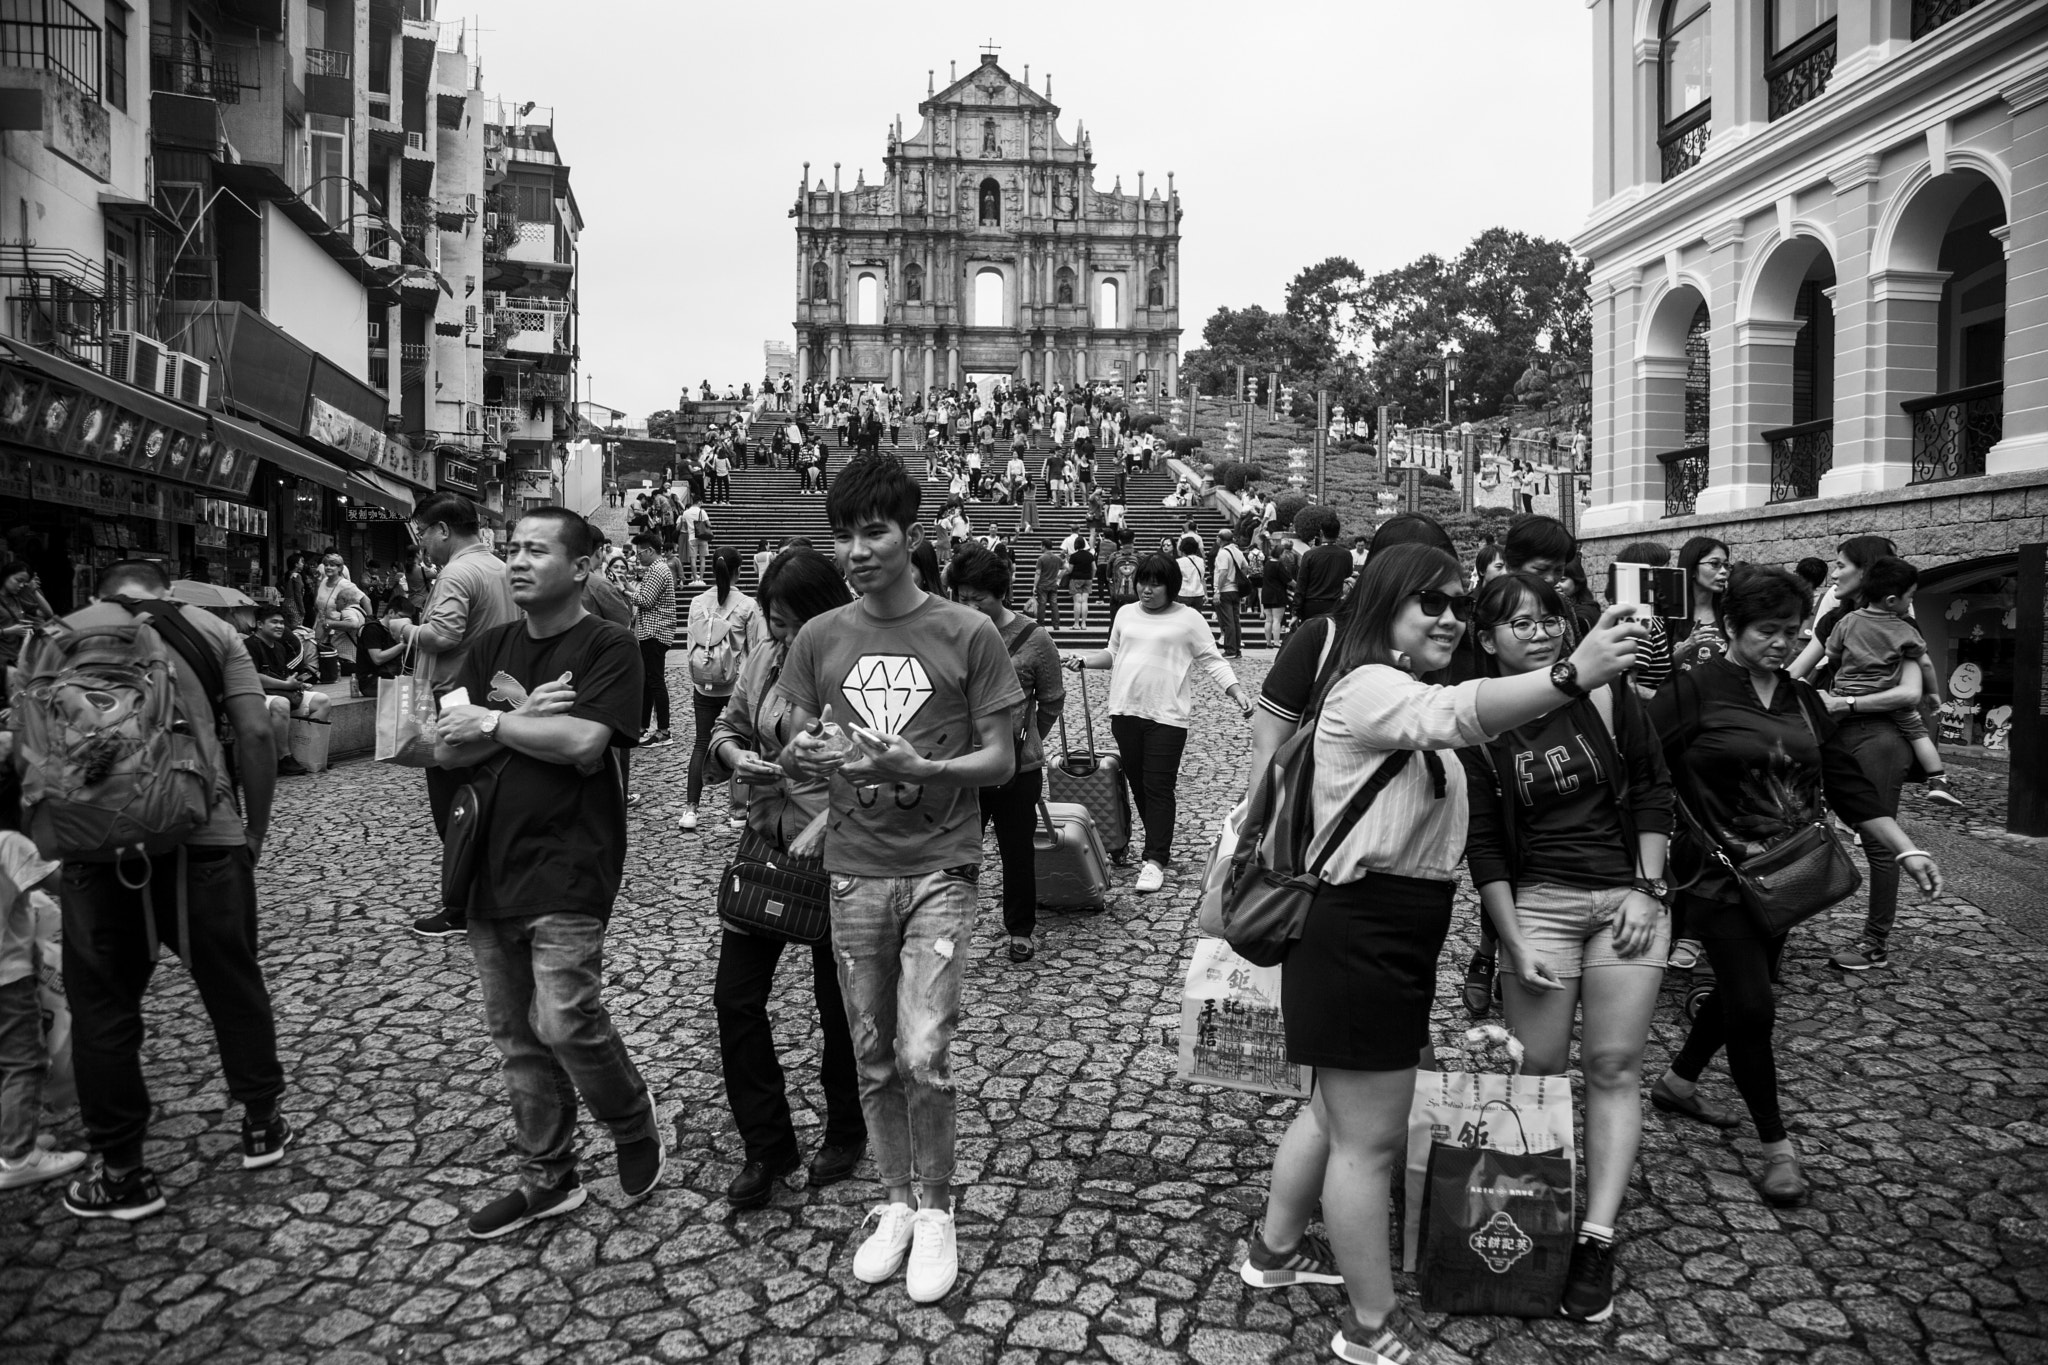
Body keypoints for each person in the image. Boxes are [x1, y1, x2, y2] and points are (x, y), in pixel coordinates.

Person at [1241, 543, 1642, 1365]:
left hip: (1387, 931)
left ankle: (1274, 1252)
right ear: (1383, 604)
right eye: (1431, 600)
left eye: (1459, 601)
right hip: (1361, 932)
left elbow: (1463, 720)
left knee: (1334, 1114)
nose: (1450, 616)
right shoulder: (1369, 686)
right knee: (1368, 1142)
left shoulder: (1402, 687)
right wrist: (1573, 672)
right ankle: (1368, 1325)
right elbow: (1457, 715)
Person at [778, 455, 1023, 1305]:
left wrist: (926, 766)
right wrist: (799, 751)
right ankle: (895, 1200)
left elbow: (1001, 760)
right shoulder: (819, 637)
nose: (856, 550)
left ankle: (939, 1207)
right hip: (853, 870)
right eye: (843, 535)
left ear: (911, 535)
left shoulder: (968, 632)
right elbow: (795, 746)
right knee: (873, 1051)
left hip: (939, 866)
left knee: (924, 1050)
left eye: (874, 531)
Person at [1648, 566, 1942, 1204]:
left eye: (1793, 631)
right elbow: (1639, 773)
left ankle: (1677, 1083)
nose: (1782, 643)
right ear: (1732, 625)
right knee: (1754, 1007)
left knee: (1740, 994)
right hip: (1716, 877)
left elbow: (1847, 784)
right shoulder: (1690, 691)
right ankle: (1777, 1148)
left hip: (1787, 878)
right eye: (1767, 631)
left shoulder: (1804, 700)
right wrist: (1642, 867)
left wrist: (1906, 848)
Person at [431, 508, 663, 1238]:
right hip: (486, 861)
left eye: (536, 550)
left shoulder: (608, 645)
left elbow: (585, 741)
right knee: (516, 1037)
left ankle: (631, 1119)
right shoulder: (488, 646)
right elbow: (444, 746)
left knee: (563, 1017)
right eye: (512, 549)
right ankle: (548, 1176)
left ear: (582, 567)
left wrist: (496, 723)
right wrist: (529, 716)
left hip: (570, 859)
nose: (517, 562)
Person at [1462, 571, 1674, 1322]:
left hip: (1626, 899)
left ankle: (1596, 1235)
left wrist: (1648, 889)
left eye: (1549, 619)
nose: (1540, 632)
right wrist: (1512, 938)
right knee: (1540, 1072)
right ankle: (1526, 1216)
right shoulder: (1481, 717)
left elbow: (1652, 787)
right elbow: (1484, 844)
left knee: (1613, 1065)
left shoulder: (1607, 693)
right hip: (1539, 905)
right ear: (1487, 640)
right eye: (1519, 623)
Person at [50, 559, 286, 1221]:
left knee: (102, 1005)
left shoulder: (62, 633)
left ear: (96, 593)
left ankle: (122, 1171)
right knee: (232, 979)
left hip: (95, 846)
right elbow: (257, 732)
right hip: (203, 835)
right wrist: (252, 831)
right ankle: (261, 1123)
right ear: (168, 590)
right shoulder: (211, 631)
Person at [705, 549, 866, 1209]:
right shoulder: (763, 660)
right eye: (777, 623)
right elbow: (727, 726)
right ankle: (766, 1143)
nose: (788, 636)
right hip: (766, 845)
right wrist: (738, 756)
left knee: (839, 1004)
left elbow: (883, 762)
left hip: (838, 851)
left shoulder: (860, 668)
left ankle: (848, 1127)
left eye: (800, 623)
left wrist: (819, 770)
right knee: (734, 998)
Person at [1065, 553, 1252, 895]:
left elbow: (1212, 660)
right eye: (1143, 582)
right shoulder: (1125, 613)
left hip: (1167, 716)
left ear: (1171, 587)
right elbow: (1113, 653)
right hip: (1125, 712)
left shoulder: (1189, 618)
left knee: (1158, 786)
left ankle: (1155, 859)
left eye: (1155, 584)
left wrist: (1236, 692)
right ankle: (1156, 844)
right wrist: (1085, 661)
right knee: (1139, 785)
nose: (1146, 590)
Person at [391, 493, 518, 939]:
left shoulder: (456, 573)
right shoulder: (501, 568)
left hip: (454, 702)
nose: (422, 544)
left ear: (443, 530)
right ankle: (495, 896)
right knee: (489, 801)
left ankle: (463, 907)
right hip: (494, 698)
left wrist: (403, 628)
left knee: (456, 810)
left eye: (423, 533)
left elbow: (444, 635)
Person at [946, 544, 1065, 963]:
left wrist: (1026, 739)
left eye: (979, 597)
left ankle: (1020, 928)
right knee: (956, 852)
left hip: (1018, 768)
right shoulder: (952, 632)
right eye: (962, 597)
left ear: (1001, 592)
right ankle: (946, 926)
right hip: (963, 763)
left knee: (1017, 851)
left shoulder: (1035, 638)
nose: (970, 606)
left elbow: (1052, 699)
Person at [0, 803, 86, 1192]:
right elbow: (62, 884)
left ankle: (10, 1140)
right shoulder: (10, 843)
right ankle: (18, 1156)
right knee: (24, 1062)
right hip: (8, 977)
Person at [681, 547, 757, 832]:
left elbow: (692, 644)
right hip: (736, 687)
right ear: (739, 571)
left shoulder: (697, 602)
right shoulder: (748, 605)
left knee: (701, 743)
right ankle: (738, 812)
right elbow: (755, 650)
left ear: (712, 570)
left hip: (703, 684)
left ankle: (691, 810)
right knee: (741, 743)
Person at [245, 604, 331, 776]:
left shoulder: (279, 647)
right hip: (256, 695)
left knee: (322, 701)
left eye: (282, 623)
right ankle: (283, 758)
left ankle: (309, 754)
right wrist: (286, 685)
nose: (280, 626)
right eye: (274, 622)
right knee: (281, 703)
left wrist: (297, 684)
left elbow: (281, 677)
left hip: (278, 692)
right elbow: (253, 677)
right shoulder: (248, 646)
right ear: (260, 624)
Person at [626, 534, 677, 749]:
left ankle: (664, 731)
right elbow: (645, 595)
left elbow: (645, 600)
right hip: (652, 632)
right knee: (648, 681)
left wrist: (623, 591)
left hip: (655, 632)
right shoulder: (657, 569)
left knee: (655, 681)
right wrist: (629, 587)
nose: (638, 557)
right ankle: (642, 727)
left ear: (649, 551)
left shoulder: (657, 570)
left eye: (640, 552)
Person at [1613, 539, 1676, 698]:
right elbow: (1626, 684)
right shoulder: (1640, 622)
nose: (1673, 574)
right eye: (1665, 569)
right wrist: (1666, 699)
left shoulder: (1654, 616)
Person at [1670, 535, 1732, 677]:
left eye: (1726, 565)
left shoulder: (1730, 612)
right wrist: (1688, 645)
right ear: (1692, 569)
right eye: (1715, 564)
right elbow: (1660, 672)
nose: (1723, 571)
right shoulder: (1670, 614)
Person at [313, 553, 370, 694]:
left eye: (332, 565)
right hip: (321, 627)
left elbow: (366, 600)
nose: (328, 567)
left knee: (336, 667)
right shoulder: (323, 582)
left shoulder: (345, 584)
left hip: (339, 630)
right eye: (326, 564)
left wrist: (369, 623)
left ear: (340, 568)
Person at [1291, 508, 1350, 621]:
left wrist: (1295, 612)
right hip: (1334, 606)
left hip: (1311, 606)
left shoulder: (1309, 555)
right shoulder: (1346, 555)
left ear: (1321, 532)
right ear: (1338, 533)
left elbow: (1301, 584)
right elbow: (1347, 575)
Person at [1212, 529, 1251, 658]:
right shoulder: (1237, 551)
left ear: (1220, 539)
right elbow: (1245, 566)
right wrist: (1239, 580)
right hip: (1235, 590)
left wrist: (1218, 590)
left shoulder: (1223, 553)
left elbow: (1223, 572)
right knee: (1235, 621)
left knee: (1227, 621)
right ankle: (1237, 649)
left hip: (1225, 590)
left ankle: (1230, 649)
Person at [1258, 534, 1292, 646]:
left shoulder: (1267, 563)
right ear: (1280, 553)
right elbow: (1288, 580)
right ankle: (1276, 641)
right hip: (1277, 594)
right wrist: (1297, 585)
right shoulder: (1279, 564)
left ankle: (1268, 642)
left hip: (1266, 593)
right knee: (1277, 619)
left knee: (1268, 620)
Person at [1067, 535, 1097, 633]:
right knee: (1084, 601)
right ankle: (1084, 624)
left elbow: (1070, 570)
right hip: (1087, 579)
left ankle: (1076, 624)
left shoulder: (1073, 556)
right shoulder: (1090, 555)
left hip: (1076, 579)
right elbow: (1094, 568)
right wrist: (1091, 577)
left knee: (1077, 602)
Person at [1033, 543, 1063, 629]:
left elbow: (1038, 573)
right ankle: (1056, 624)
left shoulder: (1041, 558)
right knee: (1054, 604)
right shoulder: (1058, 558)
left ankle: (1041, 623)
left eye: (1041, 546)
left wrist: (1034, 586)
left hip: (1043, 585)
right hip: (1053, 585)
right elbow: (1066, 568)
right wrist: (1058, 578)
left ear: (1044, 546)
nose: (1040, 547)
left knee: (1042, 604)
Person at [1173, 536, 1207, 611]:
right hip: (1198, 594)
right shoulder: (1201, 561)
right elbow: (1202, 579)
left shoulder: (1179, 562)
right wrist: (1205, 594)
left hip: (1184, 593)